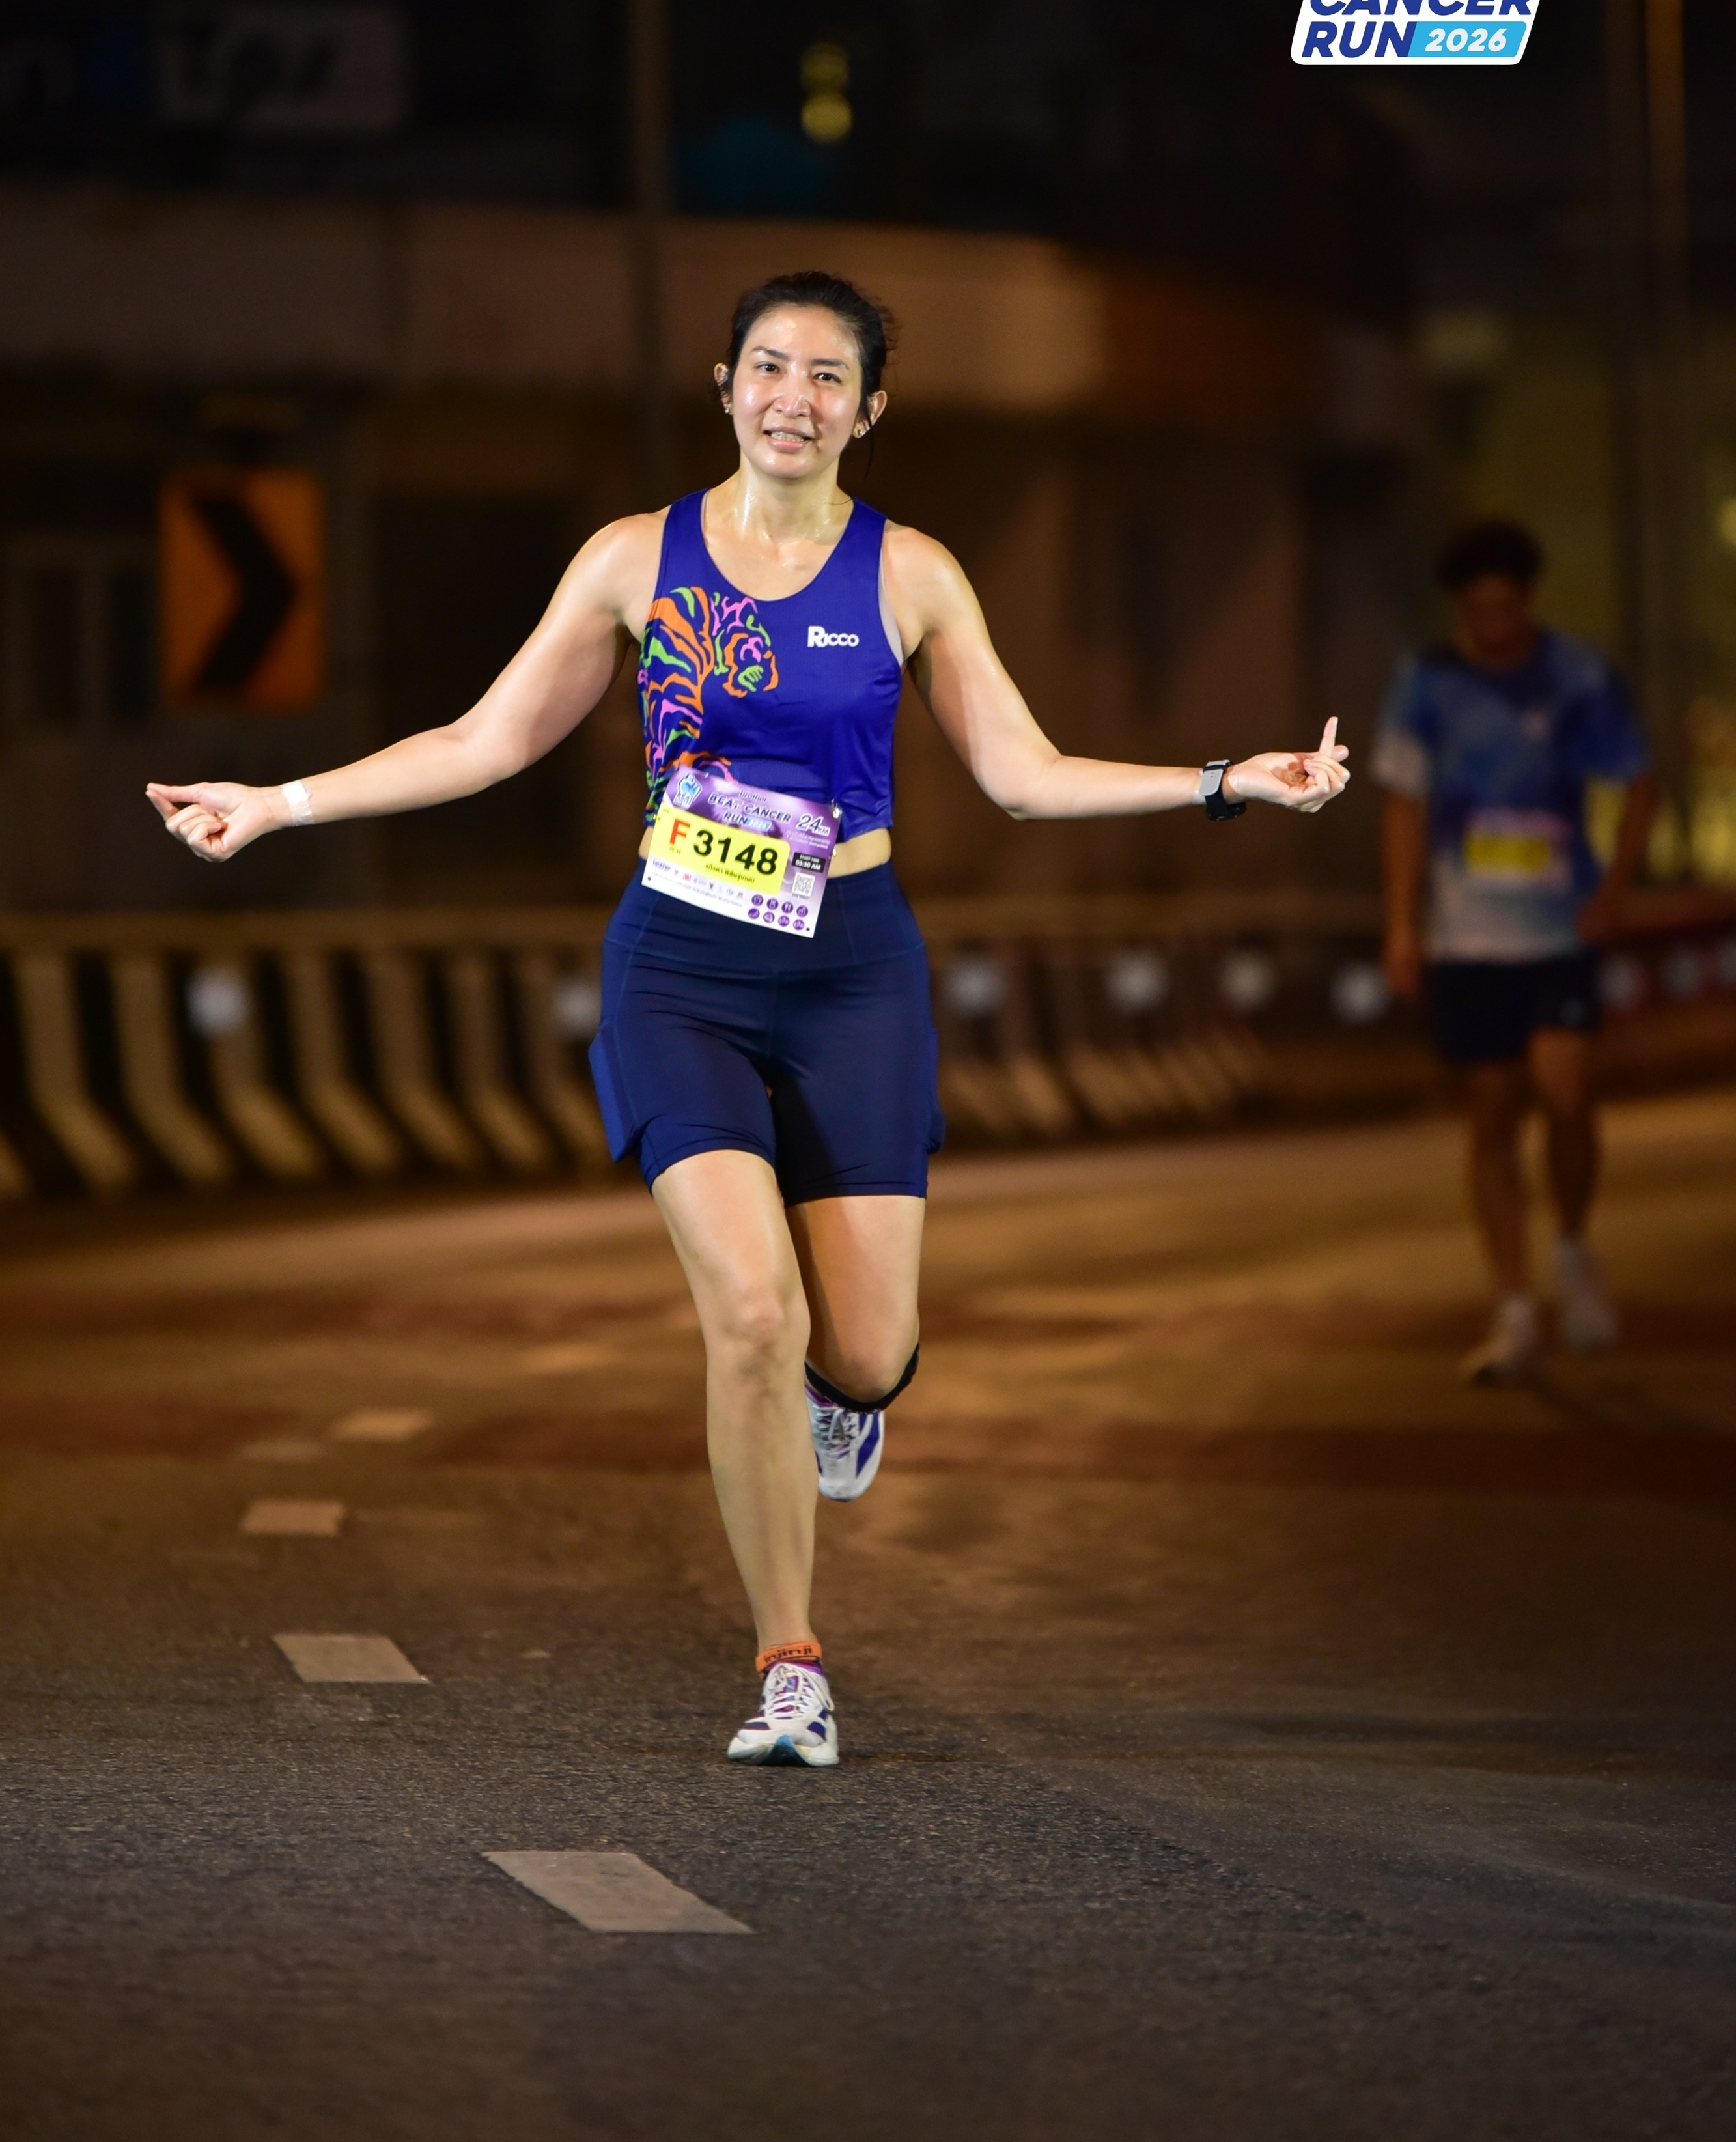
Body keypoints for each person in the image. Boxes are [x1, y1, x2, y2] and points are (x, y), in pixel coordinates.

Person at [149, 268, 1349, 1767]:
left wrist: (1224, 781)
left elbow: (1023, 774)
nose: (794, 397)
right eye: (769, 366)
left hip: (854, 969)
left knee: (866, 1347)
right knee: (753, 1312)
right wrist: (277, 803)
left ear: (869, 409)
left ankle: (851, 1399)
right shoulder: (629, 561)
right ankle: (790, 1661)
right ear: (725, 385)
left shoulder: (911, 573)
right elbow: (484, 737)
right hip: (682, 969)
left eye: (828, 376)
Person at [1374, 518, 1655, 1387]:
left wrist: (1615, 889)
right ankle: (1514, 1307)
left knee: (1565, 1090)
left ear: (1528, 600)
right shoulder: (1427, 681)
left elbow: (1638, 781)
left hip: (1560, 929)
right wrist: (1401, 925)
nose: (1493, 628)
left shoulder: (1577, 678)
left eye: (1506, 609)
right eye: (1477, 612)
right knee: (1490, 1109)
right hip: (1466, 938)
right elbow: (1402, 805)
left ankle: (1571, 1245)